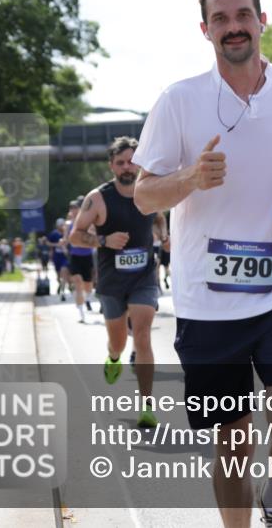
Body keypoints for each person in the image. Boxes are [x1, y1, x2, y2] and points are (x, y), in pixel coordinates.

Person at [132, 0, 272, 528]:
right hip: (209, 297)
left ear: (261, 20)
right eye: (221, 19)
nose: (233, 27)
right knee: (231, 441)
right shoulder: (179, 101)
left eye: (242, 15)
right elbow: (143, 193)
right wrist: (191, 178)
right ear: (205, 30)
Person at [70, 136, 161, 428]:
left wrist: (164, 234)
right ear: (111, 165)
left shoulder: (149, 188)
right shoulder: (97, 198)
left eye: (132, 161)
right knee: (119, 342)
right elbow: (74, 235)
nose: (127, 167)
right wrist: (103, 240)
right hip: (111, 281)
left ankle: (147, 405)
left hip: (144, 276)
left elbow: (159, 217)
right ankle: (113, 357)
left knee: (143, 334)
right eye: (120, 162)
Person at [67, 198, 95, 321]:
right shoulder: (68, 225)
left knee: (88, 286)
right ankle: (81, 312)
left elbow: (93, 236)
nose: (74, 211)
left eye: (76, 208)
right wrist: (64, 241)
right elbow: (66, 239)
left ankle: (87, 297)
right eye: (72, 209)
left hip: (87, 256)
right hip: (75, 256)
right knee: (78, 282)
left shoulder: (88, 222)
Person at [47, 218, 70, 299]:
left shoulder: (67, 233)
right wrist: (57, 245)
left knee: (64, 273)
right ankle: (60, 285)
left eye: (63, 225)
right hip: (56, 256)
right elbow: (48, 243)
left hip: (65, 256)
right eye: (60, 225)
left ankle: (62, 292)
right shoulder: (54, 234)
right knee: (58, 276)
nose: (61, 226)